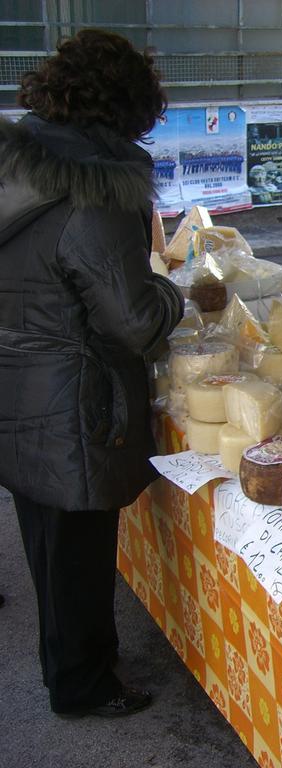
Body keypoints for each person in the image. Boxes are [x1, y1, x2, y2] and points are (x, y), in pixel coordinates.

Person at [0, 29, 184, 718]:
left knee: (46, 543)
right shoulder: (95, 188)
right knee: (77, 550)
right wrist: (171, 289)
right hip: (77, 399)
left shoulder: (20, 165)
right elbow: (133, 319)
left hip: (18, 381)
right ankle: (83, 682)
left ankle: (63, 664)